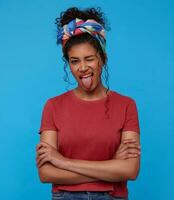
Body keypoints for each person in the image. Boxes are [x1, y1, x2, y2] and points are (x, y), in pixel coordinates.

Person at [36, 7, 141, 200]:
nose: (82, 68)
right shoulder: (53, 106)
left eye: (89, 59)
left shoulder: (127, 105)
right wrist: (111, 167)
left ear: (103, 58)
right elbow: (46, 174)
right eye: (74, 61)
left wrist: (63, 162)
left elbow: (130, 170)